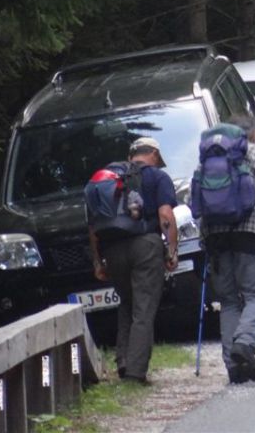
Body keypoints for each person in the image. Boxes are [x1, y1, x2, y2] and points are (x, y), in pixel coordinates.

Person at [86, 138, 178, 385]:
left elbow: (93, 227)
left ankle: (124, 361)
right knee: (143, 309)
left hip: (112, 249)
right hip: (146, 245)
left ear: (131, 156)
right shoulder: (157, 177)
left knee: (127, 303)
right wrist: (171, 251)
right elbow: (165, 214)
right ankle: (136, 373)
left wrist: (98, 261)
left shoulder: (108, 180)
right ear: (155, 155)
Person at [201, 113, 255, 384]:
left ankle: (233, 367)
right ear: (251, 133)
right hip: (248, 235)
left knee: (227, 301)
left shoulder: (209, 156)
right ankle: (245, 344)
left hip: (215, 238)